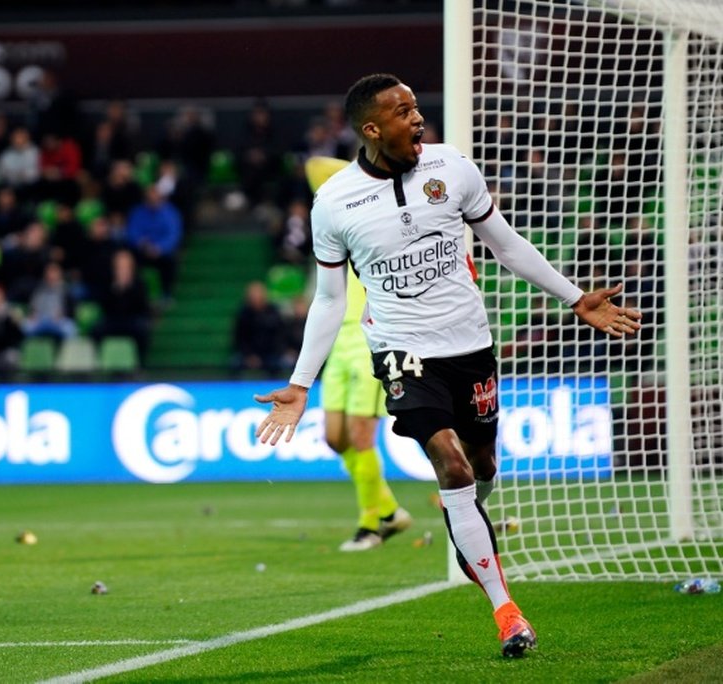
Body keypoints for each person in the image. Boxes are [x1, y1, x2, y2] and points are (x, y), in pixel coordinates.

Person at [253, 74, 642, 659]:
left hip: (470, 346)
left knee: (482, 461)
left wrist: (575, 296)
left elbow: (504, 243)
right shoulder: (333, 203)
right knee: (452, 465)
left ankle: (470, 516)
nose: (417, 120)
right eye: (403, 112)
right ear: (371, 129)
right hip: (402, 353)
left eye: (416, 109)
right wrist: (300, 383)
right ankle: (506, 611)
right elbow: (331, 299)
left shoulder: (452, 167)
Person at [304, 156, 412, 552]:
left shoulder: (382, 229)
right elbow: (315, 165)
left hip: (369, 341)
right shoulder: (336, 219)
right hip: (337, 344)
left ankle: (371, 524)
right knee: (335, 439)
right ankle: (388, 510)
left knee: (362, 436)